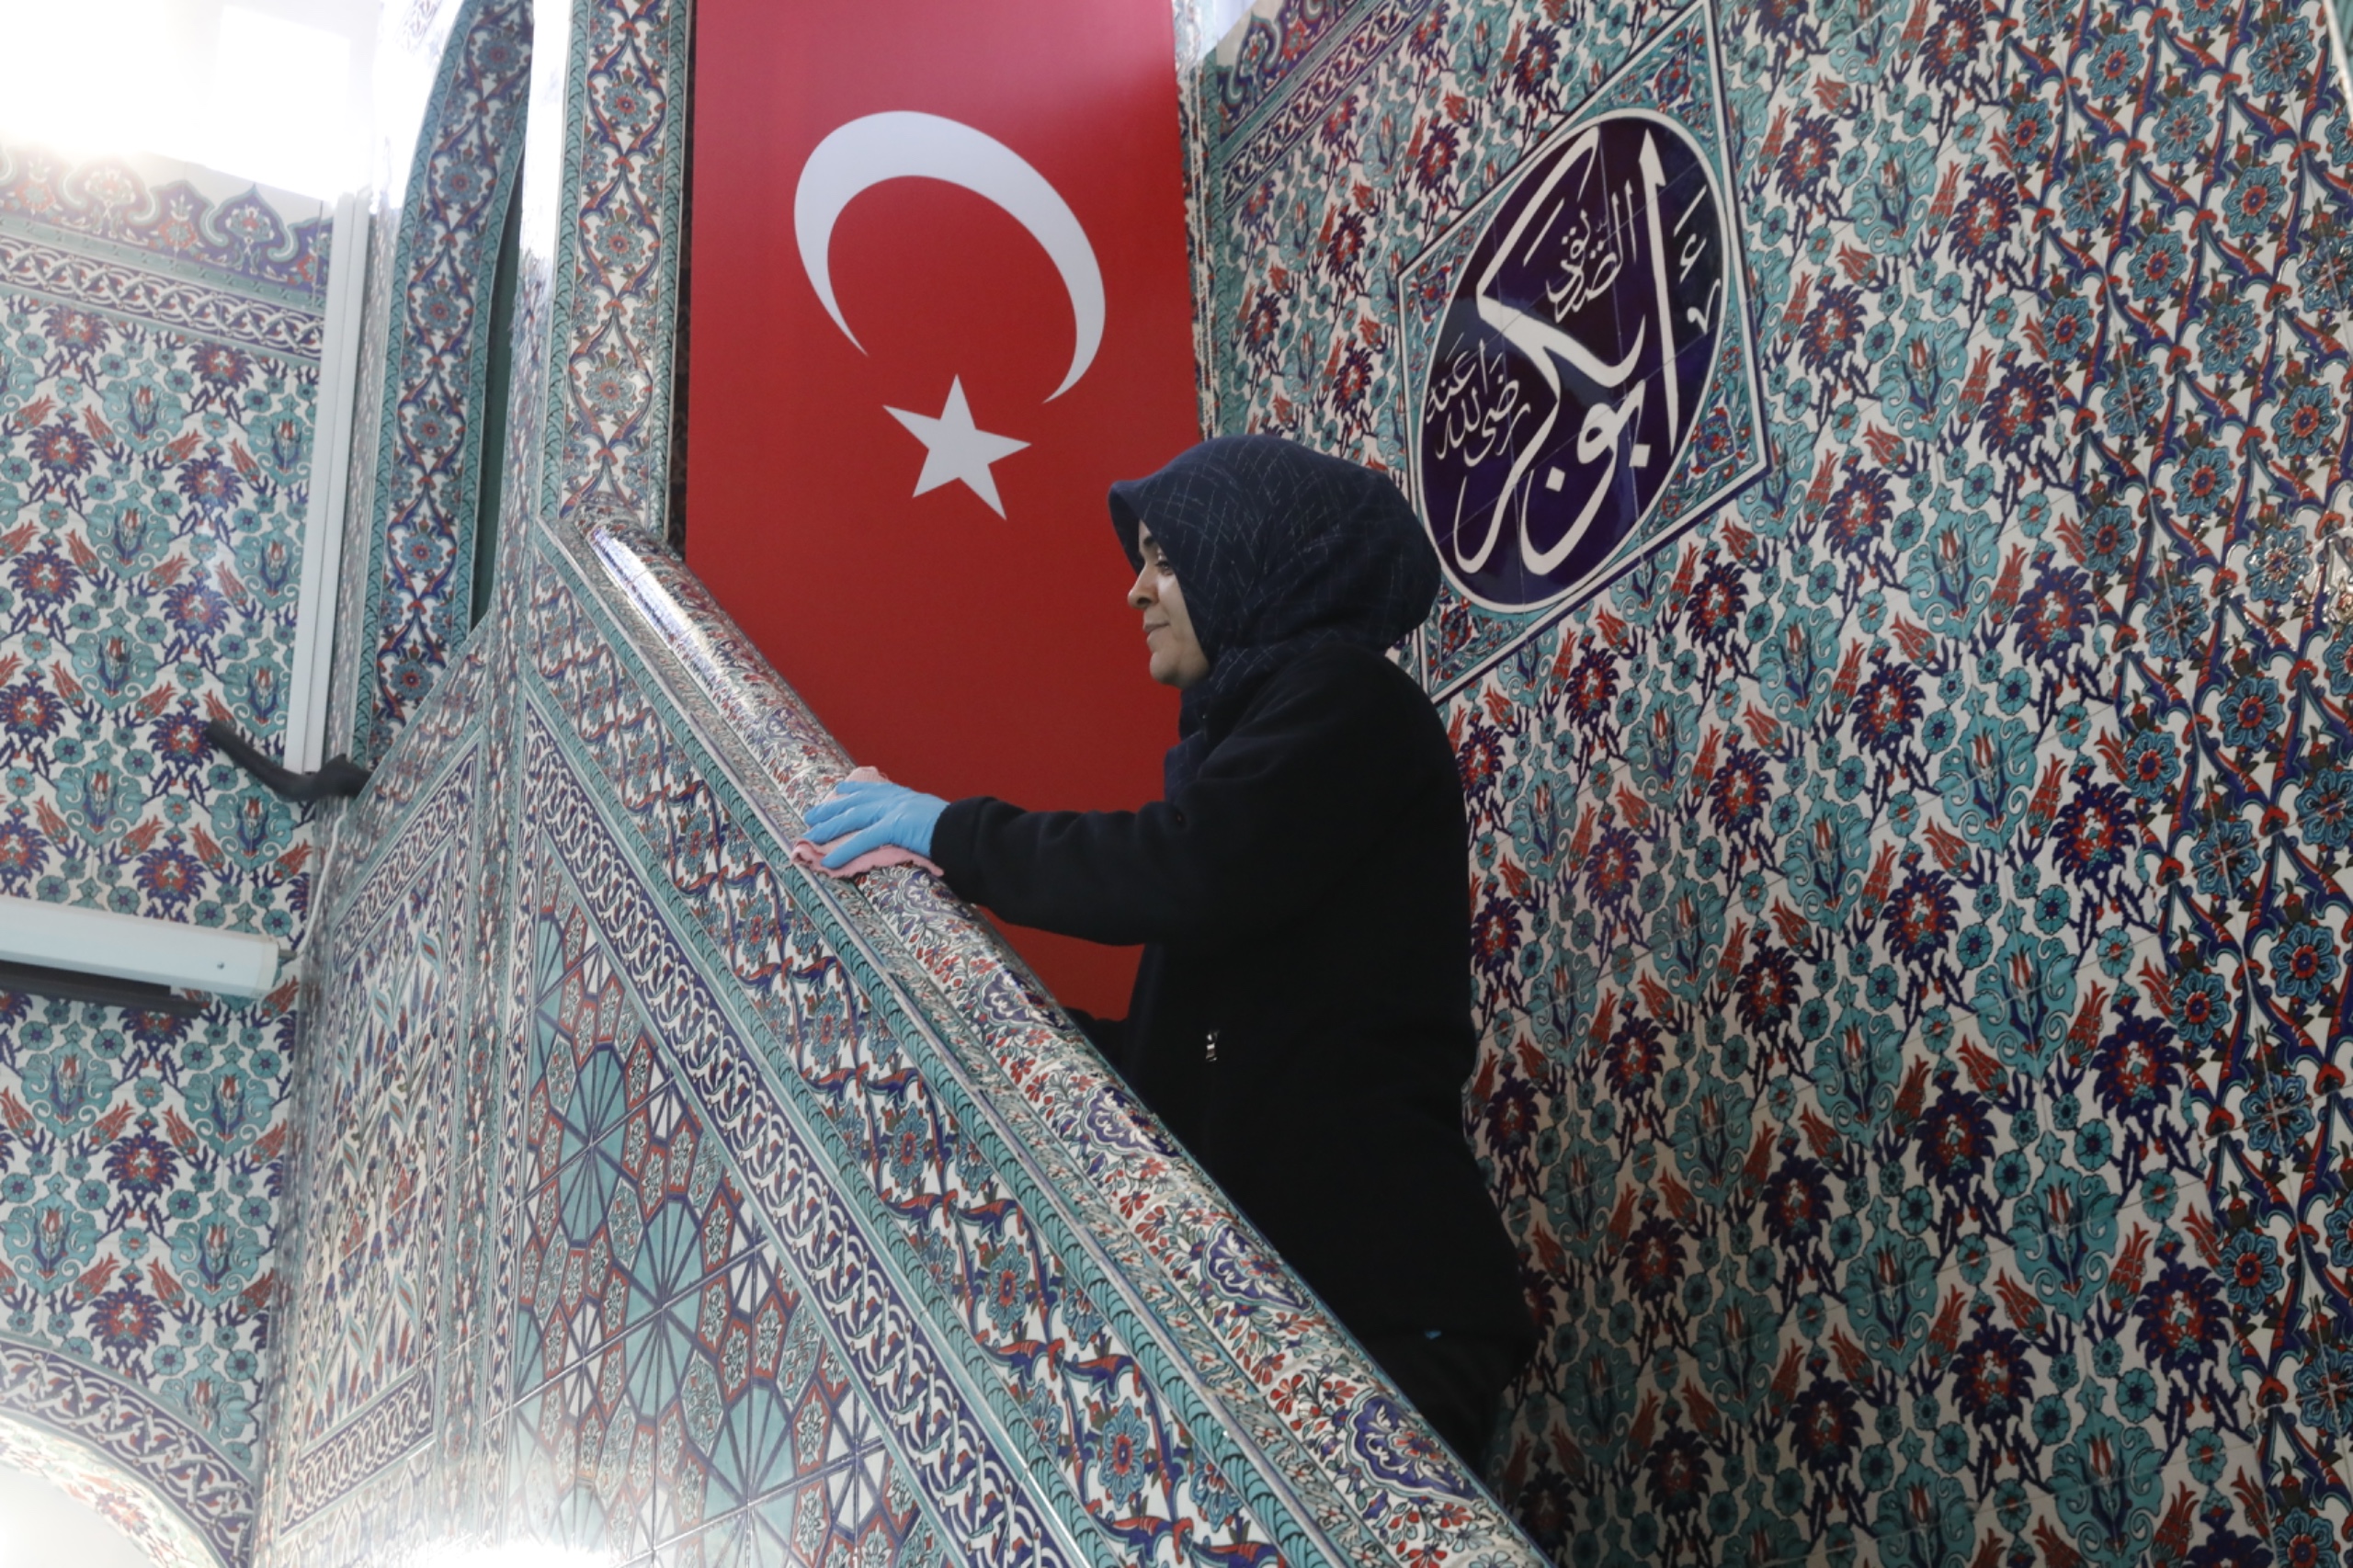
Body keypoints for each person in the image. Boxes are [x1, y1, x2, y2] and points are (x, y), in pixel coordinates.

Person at [801, 434, 1533, 1467]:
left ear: (1253, 555)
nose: (1137, 590)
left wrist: (956, 834)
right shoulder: (1252, 758)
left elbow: (1189, 866)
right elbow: (1178, 1060)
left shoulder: (1350, 703)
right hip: (1300, 1312)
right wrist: (966, 1002)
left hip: (1380, 1310)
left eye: (1165, 557)